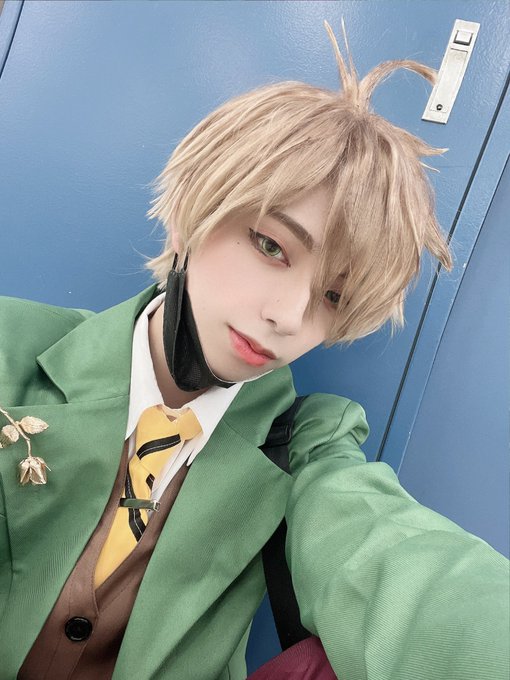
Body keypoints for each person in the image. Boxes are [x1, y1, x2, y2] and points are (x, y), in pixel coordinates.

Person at [0, 21, 508, 680]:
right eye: (271, 245)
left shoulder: (304, 442)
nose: (287, 317)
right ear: (193, 212)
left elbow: (398, 561)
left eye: (333, 296)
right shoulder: (11, 343)